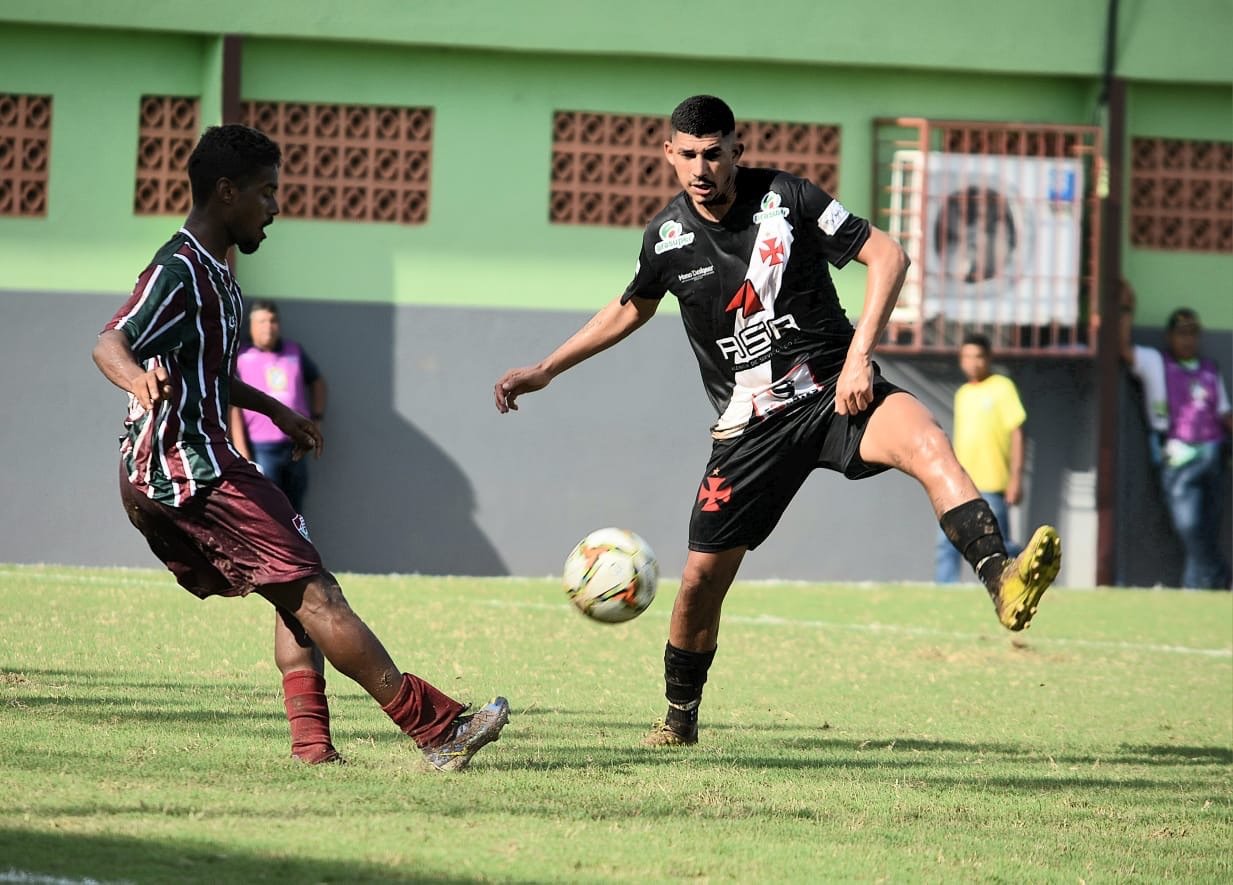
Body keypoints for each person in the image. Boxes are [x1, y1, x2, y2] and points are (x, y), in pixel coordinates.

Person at [493, 95, 1062, 748]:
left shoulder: (788, 199)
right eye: (689, 157)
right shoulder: (667, 237)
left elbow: (888, 256)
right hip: (747, 430)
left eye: (713, 154)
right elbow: (630, 308)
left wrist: (858, 359)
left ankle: (1001, 576)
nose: (701, 169)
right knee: (701, 580)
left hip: (833, 394)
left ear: (737, 148)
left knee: (928, 441)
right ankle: (679, 719)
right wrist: (545, 368)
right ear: (668, 155)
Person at [92, 124, 508, 770]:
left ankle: (313, 747)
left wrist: (277, 410)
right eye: (267, 192)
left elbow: (211, 374)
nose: (276, 207)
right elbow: (111, 340)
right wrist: (136, 379)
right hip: (189, 470)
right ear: (226, 192)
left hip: (189, 467)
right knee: (317, 592)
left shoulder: (217, 275)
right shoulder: (177, 268)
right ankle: (438, 730)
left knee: (293, 589)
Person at [1119, 283, 1231, 589]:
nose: (1188, 339)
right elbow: (1124, 349)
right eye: (1182, 333)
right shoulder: (1157, 363)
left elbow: (1224, 413)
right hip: (1179, 458)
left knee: (1207, 527)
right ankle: (1217, 575)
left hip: (1214, 456)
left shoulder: (1209, 369)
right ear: (1170, 336)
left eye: (1193, 333)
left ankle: (1197, 586)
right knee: (1189, 525)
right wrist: (1127, 310)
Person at [934, 333, 1026, 583]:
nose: (972, 363)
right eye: (967, 357)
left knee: (1000, 544)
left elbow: (1017, 432)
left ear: (988, 358)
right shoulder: (962, 393)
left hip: (992, 484)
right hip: (960, 484)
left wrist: (1016, 477)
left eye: (978, 357)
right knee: (948, 540)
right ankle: (945, 593)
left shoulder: (1002, 387)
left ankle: (1022, 575)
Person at [230, 300, 326, 513]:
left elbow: (317, 382)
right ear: (252, 325)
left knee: (295, 510)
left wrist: (317, 417)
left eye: (273, 321)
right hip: (263, 448)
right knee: (269, 509)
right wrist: (242, 450)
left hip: (295, 444)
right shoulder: (241, 357)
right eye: (262, 321)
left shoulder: (294, 351)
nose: (268, 326)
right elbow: (234, 407)